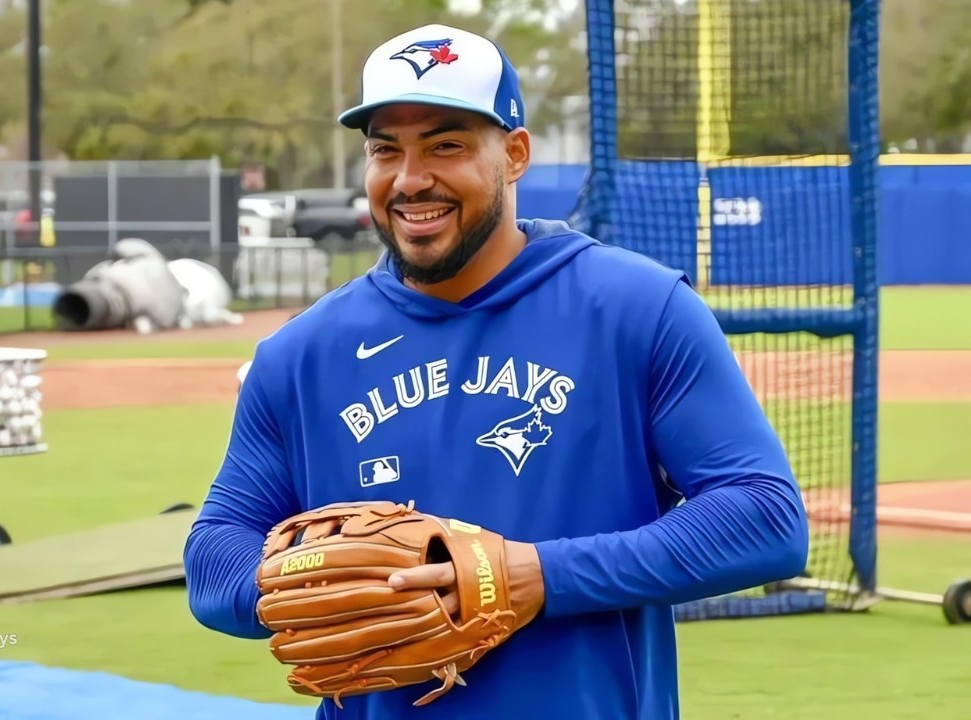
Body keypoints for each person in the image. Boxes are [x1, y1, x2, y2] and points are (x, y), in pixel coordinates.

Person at [183, 23, 809, 720]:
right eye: (385, 149)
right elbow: (214, 556)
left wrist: (532, 577)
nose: (411, 178)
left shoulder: (637, 308)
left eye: (445, 145)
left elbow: (765, 518)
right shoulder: (303, 354)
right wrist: (307, 579)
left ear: (514, 155)